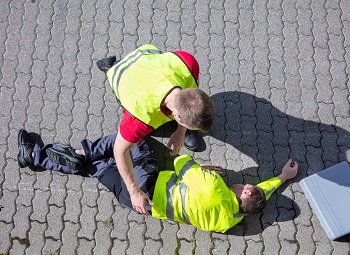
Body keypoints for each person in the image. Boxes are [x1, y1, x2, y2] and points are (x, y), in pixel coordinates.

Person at [17, 129, 298, 233]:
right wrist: (281, 179)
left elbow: (181, 163)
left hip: (147, 183)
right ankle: (35, 156)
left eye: (245, 186)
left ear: (245, 191)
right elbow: (260, 196)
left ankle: (83, 152)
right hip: (140, 205)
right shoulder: (230, 221)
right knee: (97, 169)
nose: (243, 182)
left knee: (129, 139)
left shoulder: (214, 187)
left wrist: (203, 169)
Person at [96, 44, 216, 215]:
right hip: (126, 76)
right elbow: (119, 151)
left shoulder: (189, 64)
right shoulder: (141, 117)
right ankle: (110, 66)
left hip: (146, 57)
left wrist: (181, 131)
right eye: (188, 126)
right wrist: (134, 191)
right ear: (177, 116)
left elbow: (186, 101)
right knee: (118, 79)